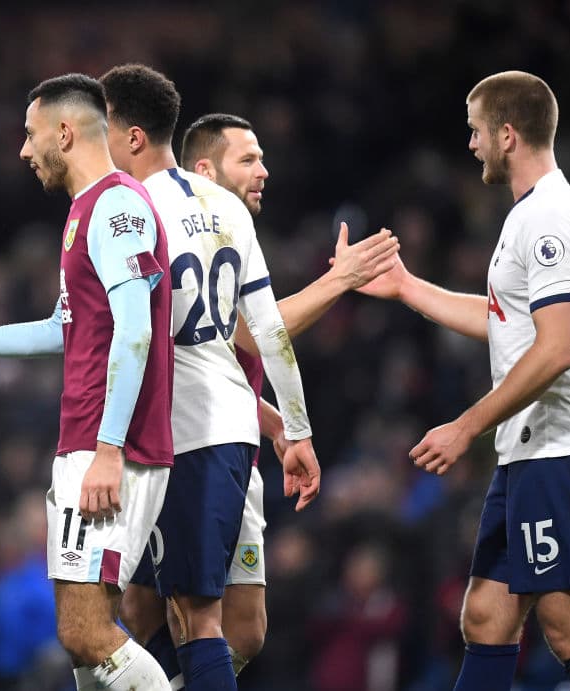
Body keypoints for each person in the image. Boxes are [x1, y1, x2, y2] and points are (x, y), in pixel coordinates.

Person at [0, 74, 176, 691]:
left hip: (109, 451)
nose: (23, 150)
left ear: (65, 132)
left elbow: (136, 332)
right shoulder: (85, 212)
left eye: (30, 134)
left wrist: (107, 448)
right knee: (87, 648)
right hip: (90, 443)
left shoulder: (118, 205)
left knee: (84, 633)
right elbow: (63, 328)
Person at [357, 71, 570, 690]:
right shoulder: (526, 214)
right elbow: (506, 323)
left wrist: (466, 427)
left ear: (507, 135)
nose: (471, 144)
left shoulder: (553, 218)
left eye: (476, 131)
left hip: (562, 450)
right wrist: (407, 287)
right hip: (528, 454)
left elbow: (554, 351)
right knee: (485, 616)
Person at [99, 64, 320, 691]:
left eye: (103, 129)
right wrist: (295, 429)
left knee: (196, 620)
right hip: (229, 428)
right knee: (156, 613)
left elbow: (125, 334)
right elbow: (270, 330)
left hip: (177, 433)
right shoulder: (226, 207)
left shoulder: (130, 211)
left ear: (132, 134)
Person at [179, 112, 401, 681]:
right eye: (248, 160)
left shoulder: (232, 232)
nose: (264, 171)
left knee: (246, 631)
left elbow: (221, 358)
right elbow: (248, 334)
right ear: (205, 170)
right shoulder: (187, 231)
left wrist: (274, 423)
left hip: (235, 441)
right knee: (176, 616)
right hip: (188, 449)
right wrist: (338, 280)